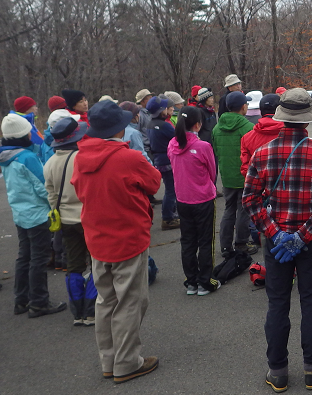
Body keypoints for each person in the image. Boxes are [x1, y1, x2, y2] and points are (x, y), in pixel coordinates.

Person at [242, 88, 312, 393]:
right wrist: (302, 235)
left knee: (277, 304)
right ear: (308, 119)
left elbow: (250, 200)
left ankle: (278, 370)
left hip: (276, 243)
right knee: (311, 303)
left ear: (282, 118)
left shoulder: (262, 153)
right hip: (311, 242)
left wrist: (275, 233)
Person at [71, 100, 161, 383]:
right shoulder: (128, 157)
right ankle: (126, 363)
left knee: (106, 301)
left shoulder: (81, 157)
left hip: (97, 238)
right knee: (130, 302)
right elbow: (154, 182)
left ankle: (109, 361)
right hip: (128, 238)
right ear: (119, 128)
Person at [0, 114, 68, 317]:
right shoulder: (26, 157)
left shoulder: (5, 156)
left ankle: (22, 300)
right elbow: (44, 186)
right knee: (39, 258)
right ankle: (39, 302)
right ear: (21, 134)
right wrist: (56, 205)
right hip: (37, 215)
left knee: (24, 257)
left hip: (20, 214)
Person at [43, 117, 95, 326]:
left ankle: (78, 312)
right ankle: (92, 309)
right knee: (96, 263)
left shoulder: (49, 163)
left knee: (74, 265)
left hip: (65, 220)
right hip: (87, 217)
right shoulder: (83, 158)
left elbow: (51, 196)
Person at [168, 106, 221, 295]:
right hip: (203, 199)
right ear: (198, 125)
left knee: (188, 241)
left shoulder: (172, 144)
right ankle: (205, 281)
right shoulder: (203, 146)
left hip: (182, 199)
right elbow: (212, 172)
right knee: (206, 241)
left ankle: (191, 281)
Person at [212, 91, 257, 257]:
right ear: (243, 107)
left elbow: (216, 151)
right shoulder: (248, 127)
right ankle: (241, 243)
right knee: (243, 211)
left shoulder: (217, 128)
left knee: (229, 210)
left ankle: (225, 246)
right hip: (244, 176)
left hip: (227, 176)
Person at [147, 96, 180, 230]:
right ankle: (167, 218)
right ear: (161, 111)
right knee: (171, 190)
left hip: (158, 159)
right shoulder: (165, 125)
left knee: (170, 188)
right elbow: (179, 136)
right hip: (167, 159)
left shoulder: (150, 123)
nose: (168, 109)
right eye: (166, 108)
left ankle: (171, 213)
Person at [240, 94, 283, 177]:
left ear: (261, 111)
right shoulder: (293, 135)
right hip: (286, 186)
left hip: (258, 186)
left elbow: (246, 169)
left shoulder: (247, 138)